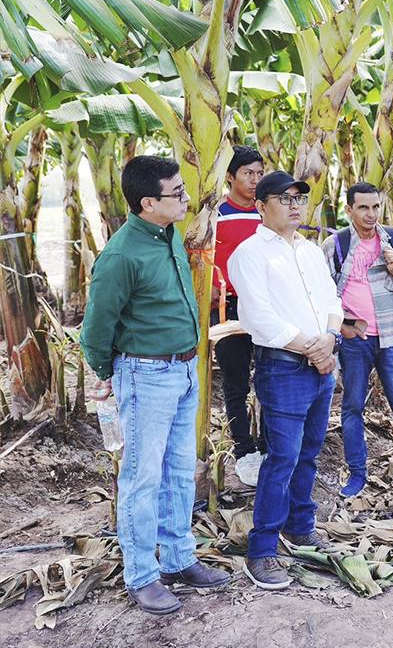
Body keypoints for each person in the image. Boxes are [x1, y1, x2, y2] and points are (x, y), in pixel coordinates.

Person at [80, 156, 230, 614]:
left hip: (185, 371)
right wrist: (107, 375)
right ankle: (141, 574)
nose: (187, 198)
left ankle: (180, 557)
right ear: (148, 202)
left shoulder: (169, 237)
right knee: (142, 478)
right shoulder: (122, 254)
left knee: (180, 471)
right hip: (146, 375)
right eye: (177, 193)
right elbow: (95, 328)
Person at [227, 170, 344, 591]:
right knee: (282, 458)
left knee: (310, 452)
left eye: (299, 198)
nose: (295, 206)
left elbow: (332, 299)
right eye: (284, 198)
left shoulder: (312, 251)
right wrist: (311, 348)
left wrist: (329, 341)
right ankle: (262, 550)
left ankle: (300, 526)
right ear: (261, 206)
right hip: (284, 366)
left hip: (323, 362)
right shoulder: (249, 253)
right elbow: (257, 316)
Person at [323, 182, 393, 497]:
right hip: (356, 338)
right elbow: (323, 293)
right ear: (350, 209)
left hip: (392, 335)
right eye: (363, 207)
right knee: (353, 406)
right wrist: (343, 327)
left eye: (375, 207)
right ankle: (357, 475)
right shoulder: (335, 245)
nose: (370, 214)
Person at [211, 145, 267, 487]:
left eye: (260, 173)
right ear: (230, 177)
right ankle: (244, 448)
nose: (255, 180)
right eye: (248, 173)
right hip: (228, 308)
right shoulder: (216, 213)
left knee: (269, 377)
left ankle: (267, 443)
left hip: (265, 307)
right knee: (235, 381)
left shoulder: (267, 212)